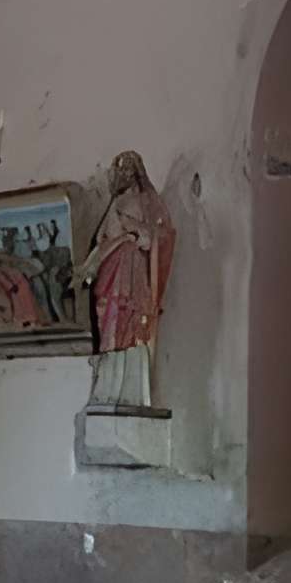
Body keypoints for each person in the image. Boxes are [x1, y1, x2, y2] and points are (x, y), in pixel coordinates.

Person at [82, 151, 178, 408]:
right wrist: (93, 263)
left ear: (137, 172)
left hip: (133, 273)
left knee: (128, 321)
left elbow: (157, 238)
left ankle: (128, 388)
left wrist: (133, 230)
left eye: (127, 169)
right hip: (111, 271)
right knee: (108, 320)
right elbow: (101, 241)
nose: (123, 174)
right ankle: (108, 385)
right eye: (119, 169)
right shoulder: (115, 204)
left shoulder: (148, 202)